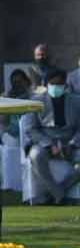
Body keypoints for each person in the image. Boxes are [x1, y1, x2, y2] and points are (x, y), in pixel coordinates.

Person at [22, 69, 80, 205]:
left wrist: (72, 144)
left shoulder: (77, 102)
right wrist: (49, 144)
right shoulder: (36, 102)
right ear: (46, 84)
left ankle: (58, 191)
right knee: (35, 156)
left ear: (65, 85)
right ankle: (58, 194)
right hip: (45, 142)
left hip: (70, 142)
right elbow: (30, 129)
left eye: (60, 84)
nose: (56, 87)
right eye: (53, 84)